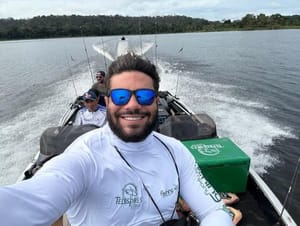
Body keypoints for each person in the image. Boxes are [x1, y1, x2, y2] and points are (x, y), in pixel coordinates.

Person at [0, 53, 233, 226]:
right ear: (109, 102)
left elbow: (215, 211)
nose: (132, 104)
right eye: (121, 96)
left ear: (155, 102)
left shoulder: (176, 152)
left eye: (143, 95)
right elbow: (24, 204)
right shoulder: (83, 157)